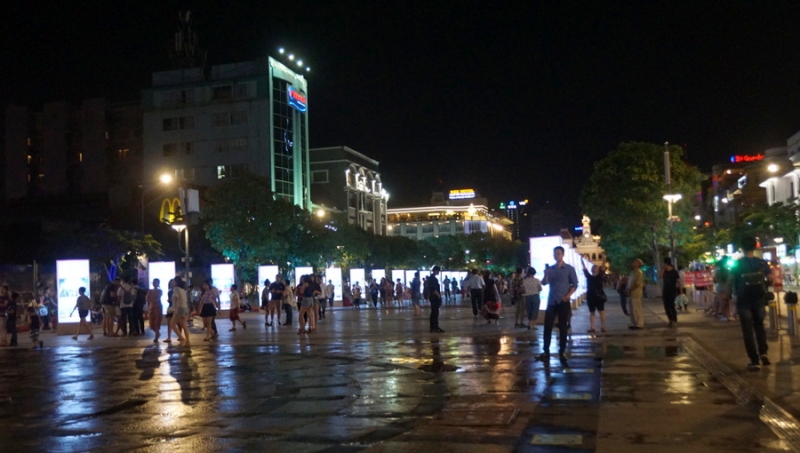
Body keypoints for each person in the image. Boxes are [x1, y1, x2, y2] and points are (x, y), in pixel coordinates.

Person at [732, 237, 771, 371]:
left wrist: (732, 296)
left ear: (742, 248)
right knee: (759, 325)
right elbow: (770, 278)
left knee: (747, 329)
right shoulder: (762, 262)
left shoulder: (738, 264)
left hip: (744, 300)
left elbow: (733, 281)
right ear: (755, 247)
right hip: (759, 298)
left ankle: (754, 360)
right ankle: (764, 353)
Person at [538, 246, 578, 363]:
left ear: (563, 254)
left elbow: (574, 284)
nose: (557, 256)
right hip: (552, 301)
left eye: (559, 253)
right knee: (547, 327)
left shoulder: (569, 269)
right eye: (555, 254)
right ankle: (546, 351)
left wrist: (567, 296)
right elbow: (544, 283)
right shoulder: (551, 269)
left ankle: (562, 351)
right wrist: (546, 274)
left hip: (563, 301)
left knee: (563, 327)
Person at [582, 261, 607, 333]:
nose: (595, 268)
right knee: (592, 312)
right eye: (594, 267)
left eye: (596, 267)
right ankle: (592, 327)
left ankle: (602, 327)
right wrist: (582, 260)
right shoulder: (589, 276)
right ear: (591, 269)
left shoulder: (600, 276)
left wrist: (603, 259)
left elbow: (603, 266)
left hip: (598, 296)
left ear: (598, 270)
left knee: (601, 311)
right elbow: (584, 269)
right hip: (591, 296)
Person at [660, 258, 680, 327]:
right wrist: (663, 269)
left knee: (672, 306)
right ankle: (670, 319)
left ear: (667, 264)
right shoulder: (664, 271)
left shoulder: (674, 271)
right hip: (665, 290)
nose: (663, 265)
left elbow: (678, 281)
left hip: (672, 291)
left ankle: (674, 320)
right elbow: (660, 276)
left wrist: (681, 291)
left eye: (664, 264)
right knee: (666, 306)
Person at [626, 259, 645, 330]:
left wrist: (629, 289)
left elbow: (637, 284)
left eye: (635, 262)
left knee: (637, 308)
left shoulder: (639, 273)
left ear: (638, 264)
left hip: (636, 293)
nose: (633, 263)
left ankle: (639, 323)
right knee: (631, 309)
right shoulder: (632, 272)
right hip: (631, 293)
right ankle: (634, 322)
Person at [172, 277, 190, 347]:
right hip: (185, 308)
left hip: (180, 308)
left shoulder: (176, 289)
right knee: (184, 325)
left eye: (173, 281)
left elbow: (176, 299)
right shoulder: (183, 290)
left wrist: (175, 309)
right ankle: (187, 340)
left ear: (176, 282)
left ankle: (182, 337)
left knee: (172, 324)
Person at [426, 266, 444, 333]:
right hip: (434, 297)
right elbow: (433, 289)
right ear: (435, 270)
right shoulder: (433, 279)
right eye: (438, 271)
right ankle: (435, 327)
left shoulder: (431, 278)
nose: (438, 272)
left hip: (432, 297)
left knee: (434, 312)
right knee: (435, 312)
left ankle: (433, 327)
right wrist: (438, 295)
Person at [146, 279, 163, 343]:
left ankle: (156, 336)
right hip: (152, 307)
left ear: (158, 283)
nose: (154, 283)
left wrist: (151, 299)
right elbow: (147, 298)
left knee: (157, 321)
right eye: (153, 282)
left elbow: (157, 298)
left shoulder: (160, 291)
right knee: (151, 322)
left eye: (155, 282)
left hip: (158, 306)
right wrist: (151, 300)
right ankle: (157, 333)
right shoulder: (150, 291)